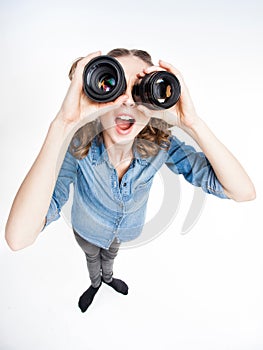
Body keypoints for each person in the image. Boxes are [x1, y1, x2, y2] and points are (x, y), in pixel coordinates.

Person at [5, 48, 256, 312]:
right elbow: (18, 238)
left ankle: (109, 278)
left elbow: (242, 191)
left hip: (125, 230)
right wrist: (63, 125)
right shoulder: (77, 146)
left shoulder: (162, 145)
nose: (127, 101)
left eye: (139, 90)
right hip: (87, 229)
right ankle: (95, 284)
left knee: (111, 255)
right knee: (92, 256)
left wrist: (192, 123)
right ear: (94, 93)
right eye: (113, 86)